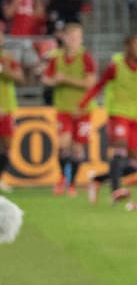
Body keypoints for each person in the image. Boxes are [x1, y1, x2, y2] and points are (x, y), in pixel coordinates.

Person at [78, 33, 137, 208]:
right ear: (127, 47)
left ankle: (97, 180)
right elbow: (99, 85)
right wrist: (84, 103)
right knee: (119, 151)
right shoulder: (116, 65)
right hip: (118, 113)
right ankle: (116, 191)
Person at [41, 22, 96, 195]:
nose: (73, 40)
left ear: (81, 39)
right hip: (63, 108)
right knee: (63, 144)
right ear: (64, 38)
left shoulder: (86, 57)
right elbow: (46, 79)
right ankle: (62, 178)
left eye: (77, 37)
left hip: (83, 110)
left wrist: (64, 79)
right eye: (70, 37)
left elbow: (90, 83)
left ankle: (71, 183)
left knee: (78, 148)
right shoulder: (56, 57)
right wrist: (54, 81)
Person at [0, 35, 21, 194]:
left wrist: (2, 69)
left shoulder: (7, 58)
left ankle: (1, 179)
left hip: (6, 108)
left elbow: (20, 78)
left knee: (7, 145)